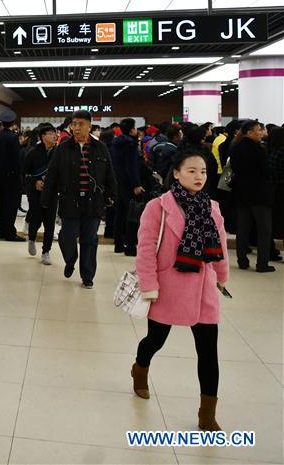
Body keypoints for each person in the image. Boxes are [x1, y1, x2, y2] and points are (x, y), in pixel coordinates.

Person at [131, 149, 228, 431]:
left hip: (203, 289)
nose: (199, 177)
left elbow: (219, 247)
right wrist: (149, 285)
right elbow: (146, 249)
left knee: (208, 352)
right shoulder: (158, 207)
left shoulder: (212, 207)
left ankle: (207, 415)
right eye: (191, 171)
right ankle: (140, 368)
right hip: (167, 288)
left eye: (203, 172)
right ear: (175, 173)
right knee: (155, 341)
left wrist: (221, 277)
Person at [42, 110, 117, 288]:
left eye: (81, 124)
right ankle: (70, 260)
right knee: (67, 237)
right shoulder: (63, 148)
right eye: (74, 124)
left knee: (89, 240)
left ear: (90, 126)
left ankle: (87, 276)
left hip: (93, 203)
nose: (76, 128)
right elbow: (52, 174)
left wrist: (112, 196)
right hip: (70, 202)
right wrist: (46, 197)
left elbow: (109, 175)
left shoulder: (101, 148)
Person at [229, 120, 276, 272]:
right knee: (264, 230)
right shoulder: (258, 149)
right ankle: (262, 264)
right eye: (259, 130)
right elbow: (266, 171)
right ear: (249, 132)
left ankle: (242, 261)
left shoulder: (235, 148)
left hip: (241, 193)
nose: (261, 133)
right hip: (260, 194)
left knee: (243, 229)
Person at [22, 123, 58, 264]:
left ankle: (46, 251)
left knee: (50, 222)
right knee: (36, 218)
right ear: (43, 136)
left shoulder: (58, 152)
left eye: (54, 133)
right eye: (50, 133)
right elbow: (25, 172)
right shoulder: (33, 152)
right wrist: (35, 181)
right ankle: (32, 238)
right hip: (35, 192)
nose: (54, 136)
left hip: (52, 191)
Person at [110, 118, 145, 256]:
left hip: (118, 182)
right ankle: (130, 246)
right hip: (129, 184)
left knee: (119, 213)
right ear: (131, 129)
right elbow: (131, 166)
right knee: (132, 214)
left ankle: (118, 244)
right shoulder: (130, 145)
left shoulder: (115, 143)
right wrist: (136, 184)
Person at [0, 110, 23, 241]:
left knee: (0, 204)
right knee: (11, 205)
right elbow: (16, 159)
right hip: (12, 177)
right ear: (13, 123)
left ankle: (0, 230)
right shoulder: (13, 137)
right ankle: (10, 232)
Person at [268, 127, 284, 246]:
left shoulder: (268, 150)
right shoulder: (282, 151)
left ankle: (271, 249)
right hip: (281, 188)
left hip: (271, 188)